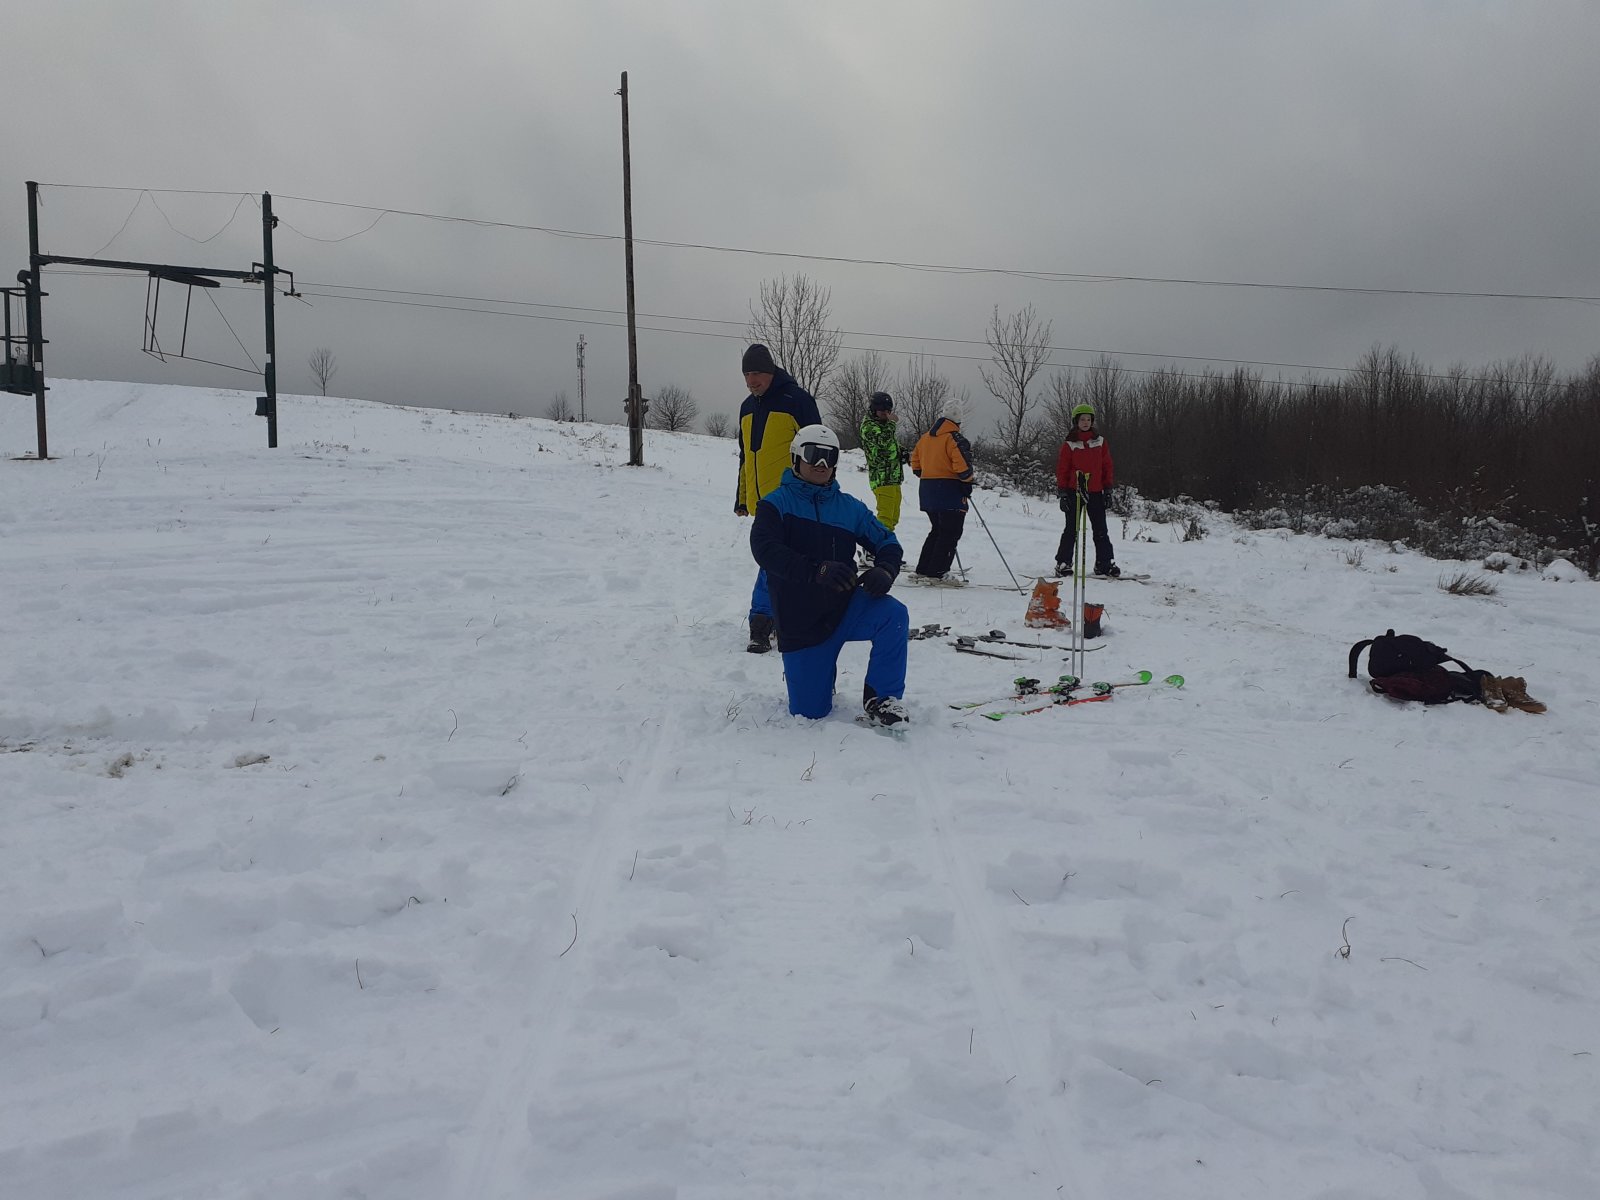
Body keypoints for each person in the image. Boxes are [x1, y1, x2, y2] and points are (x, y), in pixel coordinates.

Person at [750, 424, 910, 726]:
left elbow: (887, 542)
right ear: (796, 457)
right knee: (810, 713)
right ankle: (821, 674)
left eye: (830, 456)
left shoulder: (850, 508)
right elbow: (765, 549)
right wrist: (816, 570)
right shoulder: (775, 504)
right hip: (801, 624)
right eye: (813, 455)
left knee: (893, 614)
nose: (822, 464)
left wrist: (886, 569)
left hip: (846, 608)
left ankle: (883, 698)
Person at [734, 343, 821, 653]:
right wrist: (742, 496)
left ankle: (766, 622)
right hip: (764, 504)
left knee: (782, 560)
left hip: (795, 499)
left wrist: (819, 492)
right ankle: (771, 621)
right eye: (746, 374)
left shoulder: (797, 401)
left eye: (757, 373)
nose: (751, 380)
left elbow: (819, 450)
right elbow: (746, 455)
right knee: (774, 560)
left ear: (771, 371)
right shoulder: (747, 407)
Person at [909, 397, 974, 580]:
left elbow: (915, 465)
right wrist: (967, 482)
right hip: (949, 490)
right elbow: (963, 467)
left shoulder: (925, 438)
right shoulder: (954, 439)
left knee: (937, 530)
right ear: (958, 420)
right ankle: (937, 572)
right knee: (950, 533)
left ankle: (924, 569)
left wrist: (929, 474)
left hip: (928, 491)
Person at [1054, 403, 1120, 577]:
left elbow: (1107, 466)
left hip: (1095, 491)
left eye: (1088, 419)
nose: (1085, 422)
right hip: (1074, 491)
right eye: (1082, 419)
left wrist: (1108, 490)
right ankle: (1063, 562)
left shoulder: (1100, 442)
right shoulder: (1070, 444)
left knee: (1101, 529)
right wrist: (1062, 493)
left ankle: (1104, 563)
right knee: (1071, 529)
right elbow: (1062, 469)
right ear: (1076, 421)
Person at [858, 392, 904, 535]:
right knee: (885, 519)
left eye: (888, 411)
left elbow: (890, 446)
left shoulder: (883, 425)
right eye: (882, 411)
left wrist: (902, 452)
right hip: (882, 478)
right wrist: (892, 423)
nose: (886, 414)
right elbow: (883, 442)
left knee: (893, 518)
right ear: (874, 409)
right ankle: (878, 544)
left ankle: (885, 541)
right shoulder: (869, 426)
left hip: (893, 477)